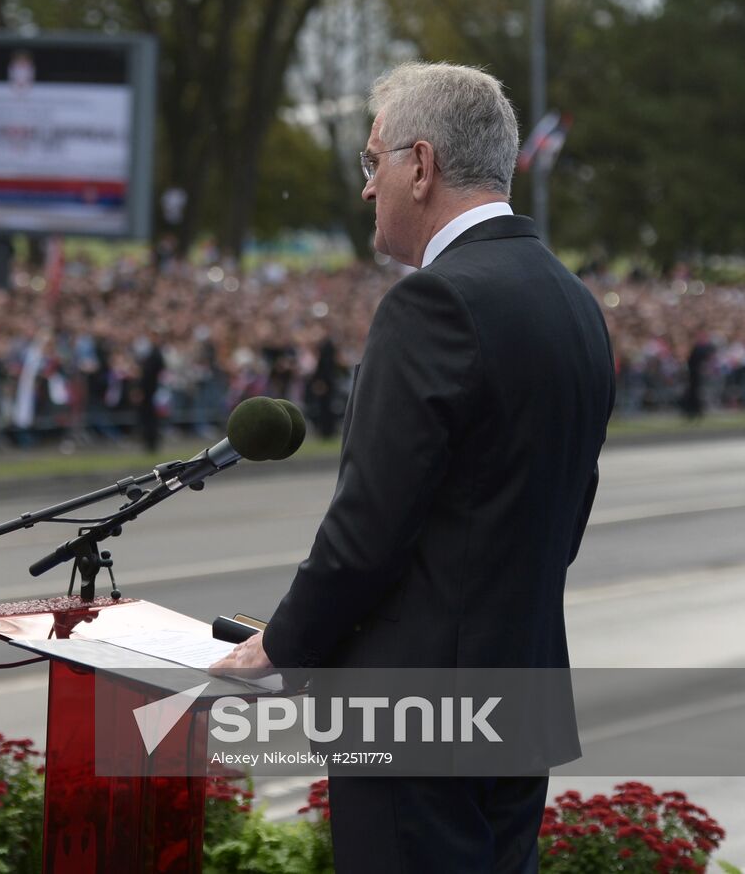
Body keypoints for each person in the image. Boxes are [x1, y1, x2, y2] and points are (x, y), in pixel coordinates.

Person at [211, 63, 616, 873]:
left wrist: (281, 645)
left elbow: (369, 526)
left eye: (374, 163)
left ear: (421, 165)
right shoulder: (570, 299)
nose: (368, 189)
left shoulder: (433, 302)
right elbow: (567, 513)